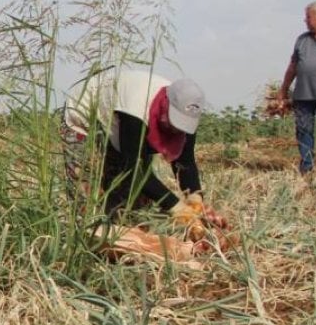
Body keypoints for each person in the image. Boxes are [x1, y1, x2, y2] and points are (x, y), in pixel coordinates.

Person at [62, 69, 226, 232]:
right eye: (174, 122)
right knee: (88, 197)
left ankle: (120, 240)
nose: (177, 130)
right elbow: (133, 171)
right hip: (86, 117)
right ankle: (87, 240)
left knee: (131, 204)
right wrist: (176, 207)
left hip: (119, 127)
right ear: (166, 104)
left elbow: (185, 162)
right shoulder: (137, 108)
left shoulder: (187, 114)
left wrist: (195, 200)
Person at [277, 0, 316, 177]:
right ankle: (307, 169)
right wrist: (283, 89)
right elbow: (293, 66)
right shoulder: (302, 39)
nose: (305, 20)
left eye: (308, 17)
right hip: (303, 95)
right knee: (303, 131)